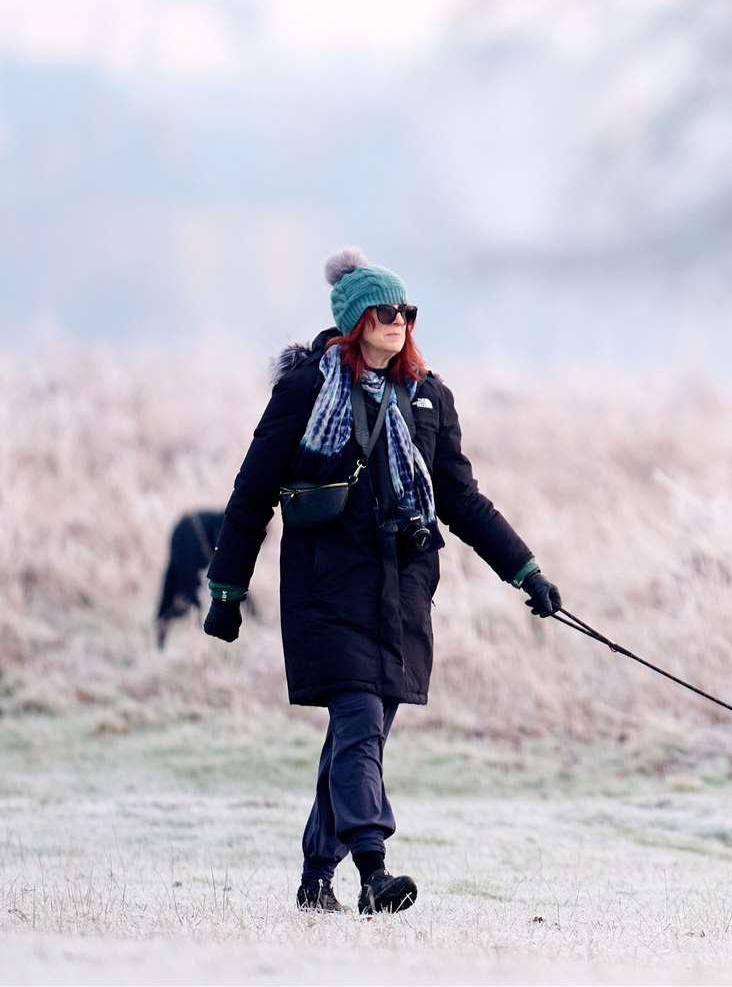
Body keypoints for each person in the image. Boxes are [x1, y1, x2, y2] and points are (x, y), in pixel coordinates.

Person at [201, 247, 562, 915]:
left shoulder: (428, 397)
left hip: (402, 594)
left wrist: (526, 571)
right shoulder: (306, 390)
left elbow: (462, 501)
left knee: (352, 738)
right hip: (326, 588)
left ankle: (316, 879)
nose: (399, 323)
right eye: (386, 311)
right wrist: (226, 592)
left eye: (408, 312)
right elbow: (252, 494)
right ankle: (374, 872)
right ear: (355, 319)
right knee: (360, 724)